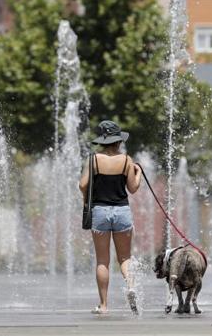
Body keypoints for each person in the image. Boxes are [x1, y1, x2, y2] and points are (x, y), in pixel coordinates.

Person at [79, 120, 142, 314]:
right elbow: (133, 188)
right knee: (124, 258)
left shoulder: (93, 159)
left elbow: (83, 185)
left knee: (102, 261)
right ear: (118, 141)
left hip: (99, 211)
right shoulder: (126, 160)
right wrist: (138, 173)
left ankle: (104, 305)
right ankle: (131, 286)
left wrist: (86, 200)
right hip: (122, 211)